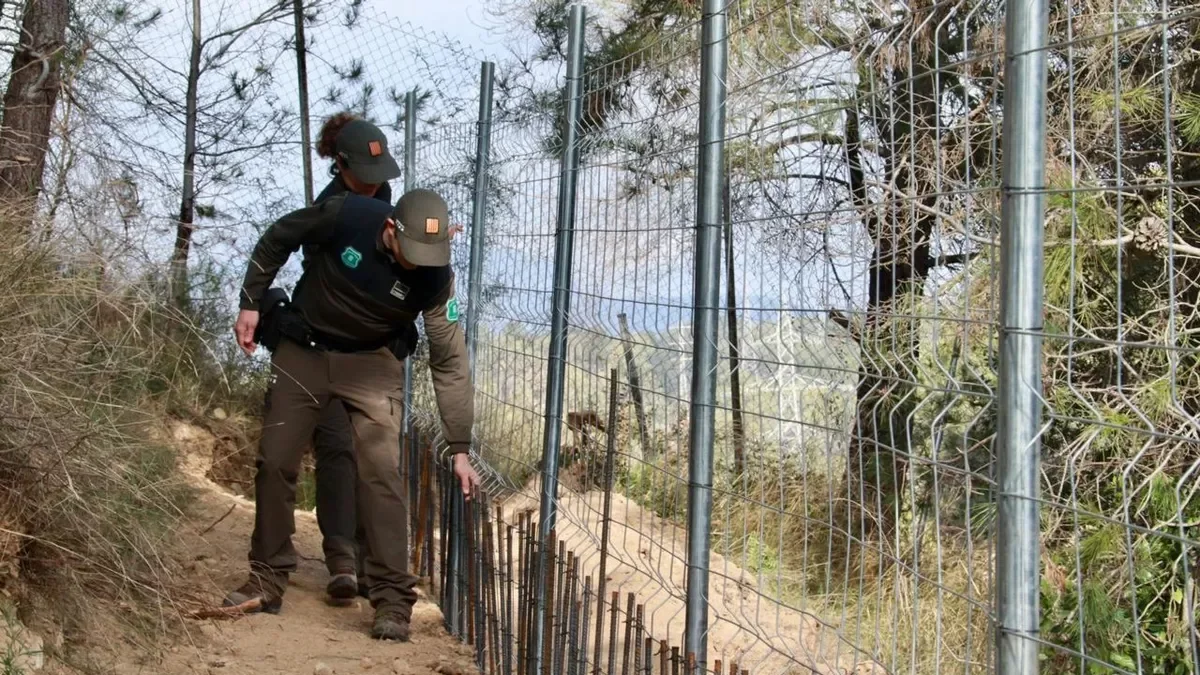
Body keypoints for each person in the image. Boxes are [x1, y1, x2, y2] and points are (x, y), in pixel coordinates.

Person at [227, 118, 480, 641]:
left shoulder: (435, 275)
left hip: (372, 364)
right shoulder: (347, 213)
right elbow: (278, 237)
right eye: (413, 253)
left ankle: (392, 603)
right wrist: (251, 302)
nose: (421, 266)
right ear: (391, 230)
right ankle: (266, 578)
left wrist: (459, 446)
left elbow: (449, 360)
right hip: (306, 350)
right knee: (276, 461)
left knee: (381, 476)